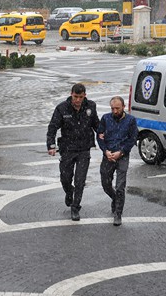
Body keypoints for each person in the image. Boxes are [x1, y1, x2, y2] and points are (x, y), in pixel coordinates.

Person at [46, 83, 99, 221]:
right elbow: (52, 127)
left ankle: (75, 207)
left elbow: (96, 124)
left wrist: (104, 133)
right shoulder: (62, 108)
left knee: (80, 180)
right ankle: (69, 192)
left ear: (84, 96)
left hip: (83, 148)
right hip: (67, 148)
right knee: (65, 178)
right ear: (71, 94)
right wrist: (51, 145)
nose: (77, 100)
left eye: (80, 97)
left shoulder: (90, 106)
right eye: (75, 96)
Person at [96, 96, 138, 226]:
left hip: (122, 156)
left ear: (123, 107)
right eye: (112, 108)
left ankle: (118, 213)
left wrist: (121, 152)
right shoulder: (105, 118)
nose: (114, 111)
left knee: (120, 186)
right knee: (105, 183)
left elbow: (133, 138)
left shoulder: (130, 120)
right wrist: (105, 151)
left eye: (117, 108)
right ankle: (114, 198)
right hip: (108, 155)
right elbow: (99, 136)